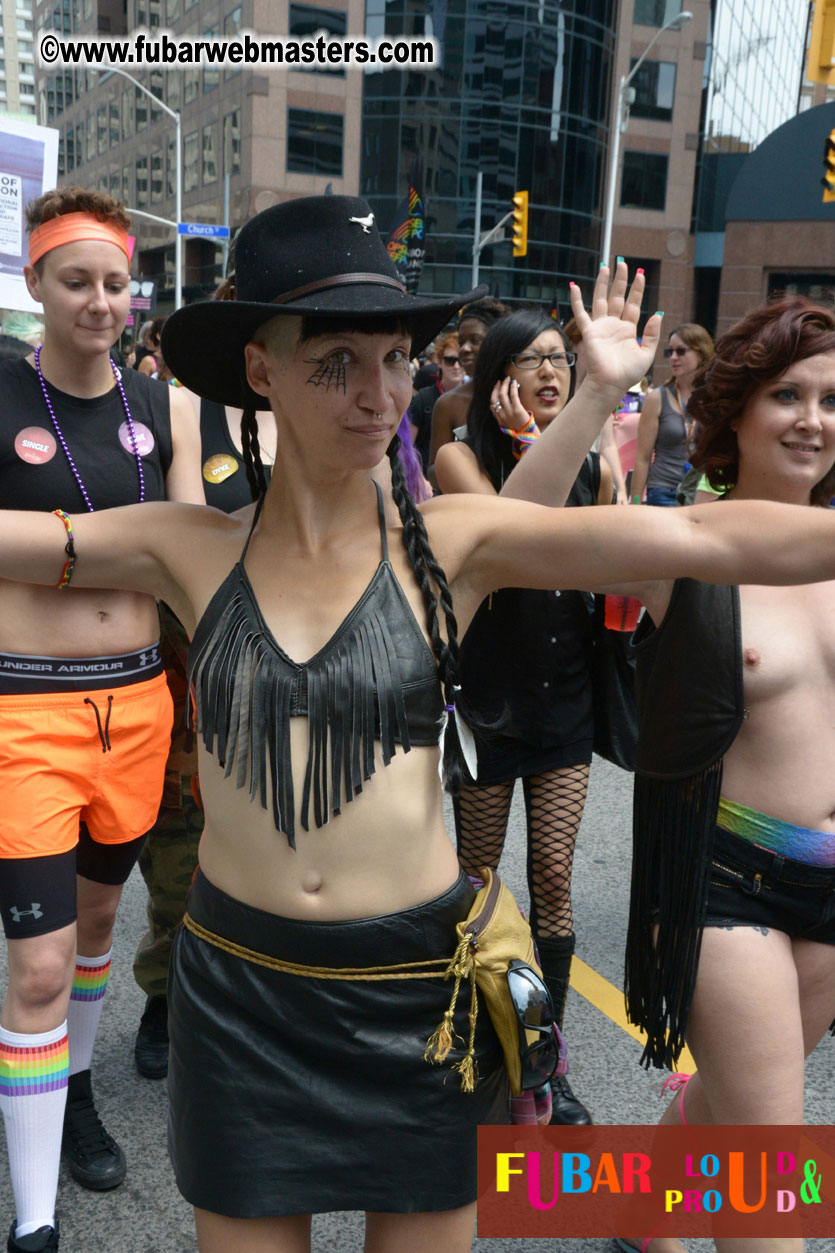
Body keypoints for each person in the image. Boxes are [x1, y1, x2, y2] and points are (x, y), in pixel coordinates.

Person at [3, 199, 835, 1253]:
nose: (377, 393)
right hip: (242, 994)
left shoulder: (453, 538)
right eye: (335, 361)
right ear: (260, 369)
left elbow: (702, 533)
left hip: (419, 996)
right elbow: (26, 539)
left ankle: (651, 1203)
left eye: (393, 359)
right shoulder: (184, 544)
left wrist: (592, 398)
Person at [0, 186, 203, 1253]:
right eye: (75, 280)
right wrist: (120, 542)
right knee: (33, 964)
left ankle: (70, 1087)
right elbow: (152, 541)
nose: (99, 301)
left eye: (116, 282)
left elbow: (200, 539)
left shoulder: (162, 403)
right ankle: (34, 1218)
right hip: (23, 708)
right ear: (34, 282)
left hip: (139, 704)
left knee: (90, 933)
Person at [620, 295, 835, 1253]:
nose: (813, 420)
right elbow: (509, 535)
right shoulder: (683, 545)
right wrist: (595, 395)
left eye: (832, 400)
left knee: (742, 1090)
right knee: (768, 1183)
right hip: (723, 878)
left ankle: (637, 1208)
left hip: (827, 887)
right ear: (737, 410)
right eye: (787, 394)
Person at [434, 310, 611, 1126]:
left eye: (559, 360)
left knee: (551, 883)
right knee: (479, 886)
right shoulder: (457, 456)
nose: (550, 371)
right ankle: (476, 1048)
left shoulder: (591, 463)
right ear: (497, 372)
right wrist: (535, 446)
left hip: (564, 696)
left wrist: (584, 468)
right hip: (489, 701)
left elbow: (602, 555)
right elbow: (516, 542)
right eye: (532, 359)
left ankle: (547, 1062)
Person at [132, 384, 277, 1078]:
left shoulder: (342, 410)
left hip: (295, 670)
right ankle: (165, 995)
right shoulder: (190, 411)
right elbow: (181, 531)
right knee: (181, 848)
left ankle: (259, 1006)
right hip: (192, 659)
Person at [631, 322, 714, 506]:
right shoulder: (657, 398)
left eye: (681, 351)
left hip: (701, 493)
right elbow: (642, 458)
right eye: (669, 352)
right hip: (663, 491)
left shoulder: (714, 399)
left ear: (701, 354)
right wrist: (635, 503)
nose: (673, 357)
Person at [428, 297, 507, 471]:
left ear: (498, 342)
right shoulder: (448, 404)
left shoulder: (519, 395)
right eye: (462, 342)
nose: (465, 349)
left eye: (475, 340)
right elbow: (433, 470)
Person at [563, 312, 629, 503]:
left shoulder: (603, 390)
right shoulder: (556, 388)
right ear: (573, 342)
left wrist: (621, 490)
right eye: (592, 341)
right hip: (562, 478)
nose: (599, 350)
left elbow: (607, 444)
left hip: (592, 480)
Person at [407, 331, 462, 472]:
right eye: (450, 360)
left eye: (461, 360)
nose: (456, 366)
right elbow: (407, 447)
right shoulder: (423, 399)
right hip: (427, 482)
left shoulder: (475, 399)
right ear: (439, 362)